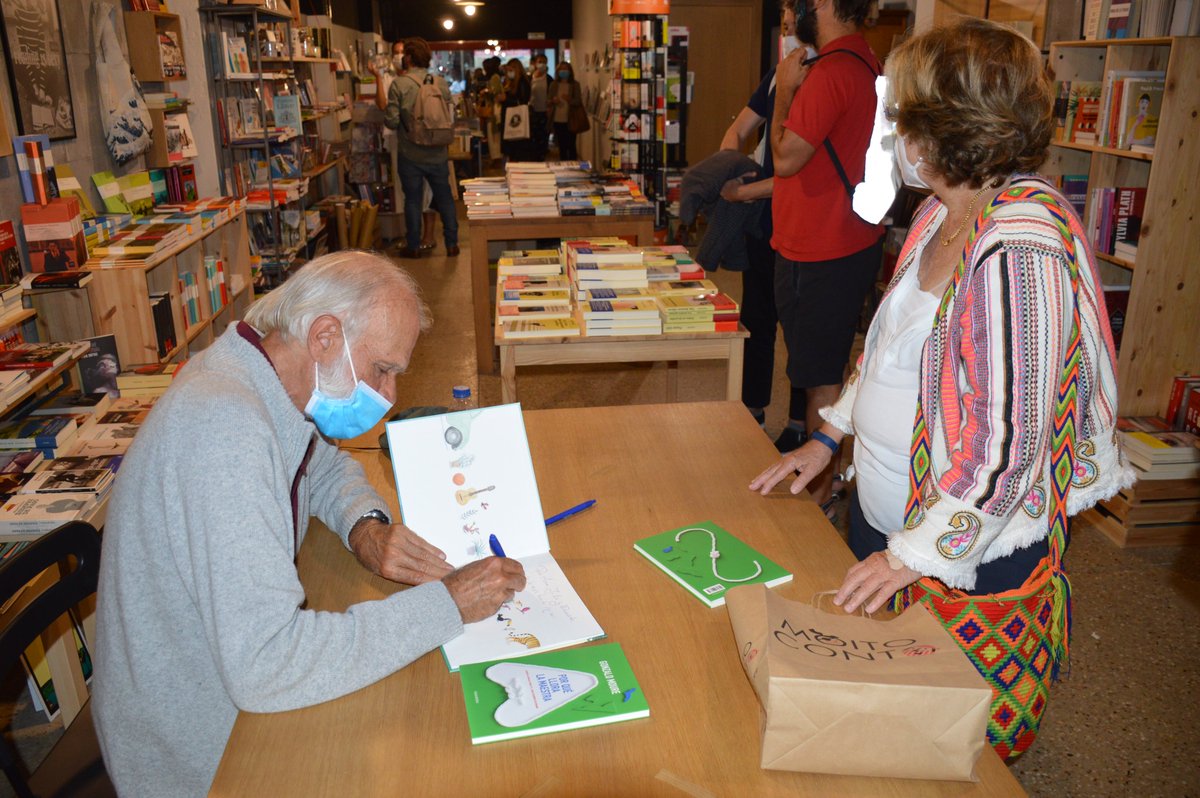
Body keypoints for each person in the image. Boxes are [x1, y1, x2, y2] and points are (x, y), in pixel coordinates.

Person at [751, 18, 1132, 761]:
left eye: (903, 115)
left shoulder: (1020, 250)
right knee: (883, 723)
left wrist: (915, 555)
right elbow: (891, 349)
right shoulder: (942, 212)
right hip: (895, 524)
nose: (894, 130)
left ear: (941, 130)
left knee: (949, 743)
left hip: (966, 551)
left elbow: (1011, 442)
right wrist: (829, 437)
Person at [94, 251, 527, 796]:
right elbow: (267, 665)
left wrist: (364, 526)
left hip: (224, 687)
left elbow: (320, 463)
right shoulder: (224, 430)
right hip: (199, 748)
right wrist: (448, 605)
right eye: (383, 369)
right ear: (324, 337)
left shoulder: (261, 373)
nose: (389, 396)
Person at [767, 0, 883, 513]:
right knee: (824, 369)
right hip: (844, 239)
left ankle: (819, 496)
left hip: (820, 246)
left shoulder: (831, 71)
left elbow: (785, 157)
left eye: (803, 3)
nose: (796, 12)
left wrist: (784, 91)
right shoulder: (864, 60)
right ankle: (829, 482)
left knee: (820, 380)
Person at [719, 0, 808, 452]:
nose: (788, 34)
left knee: (798, 332)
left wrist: (743, 192)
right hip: (762, 226)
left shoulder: (817, 81)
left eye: (795, 25)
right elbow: (740, 128)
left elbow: (796, 170)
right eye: (784, 25)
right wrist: (727, 164)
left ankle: (798, 423)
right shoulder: (776, 76)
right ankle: (752, 409)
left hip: (798, 226)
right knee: (755, 321)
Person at [384, 37, 460, 258]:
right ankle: (452, 244)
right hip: (437, 152)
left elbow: (391, 121)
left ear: (408, 58)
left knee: (413, 200)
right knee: (445, 198)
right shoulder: (440, 83)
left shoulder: (399, 84)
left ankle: (414, 246)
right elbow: (449, 115)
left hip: (410, 153)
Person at [368, 40, 438, 253]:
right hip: (398, 141)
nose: (400, 56)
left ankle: (428, 236)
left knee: (427, 189)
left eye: (402, 52)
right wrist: (378, 77)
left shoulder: (422, 78)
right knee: (408, 192)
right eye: (396, 52)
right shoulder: (390, 79)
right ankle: (412, 236)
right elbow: (382, 105)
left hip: (421, 140)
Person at [498, 58, 534, 162]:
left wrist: (506, 99)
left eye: (511, 69)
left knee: (518, 150)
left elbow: (522, 101)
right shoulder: (508, 83)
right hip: (509, 119)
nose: (509, 72)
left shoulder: (523, 82)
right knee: (511, 152)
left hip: (517, 118)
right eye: (508, 70)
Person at [548, 60, 583, 161]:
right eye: (561, 69)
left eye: (565, 69)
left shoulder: (575, 84)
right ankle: (563, 164)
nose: (563, 71)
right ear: (558, 71)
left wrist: (569, 99)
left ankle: (573, 164)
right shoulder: (554, 84)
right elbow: (548, 100)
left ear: (570, 71)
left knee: (571, 145)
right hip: (557, 120)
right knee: (562, 146)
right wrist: (553, 100)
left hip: (571, 119)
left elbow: (578, 101)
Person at [529, 53, 551, 160]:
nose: (541, 64)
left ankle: (542, 155)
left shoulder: (549, 79)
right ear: (535, 63)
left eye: (544, 62)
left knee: (543, 135)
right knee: (533, 135)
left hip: (544, 111)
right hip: (532, 111)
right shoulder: (530, 78)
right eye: (539, 62)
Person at [484, 57, 505, 166]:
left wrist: (486, 92)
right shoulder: (495, 77)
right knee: (493, 133)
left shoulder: (494, 78)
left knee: (494, 133)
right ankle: (495, 157)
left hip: (494, 109)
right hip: (494, 108)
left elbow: (496, 93)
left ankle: (496, 158)